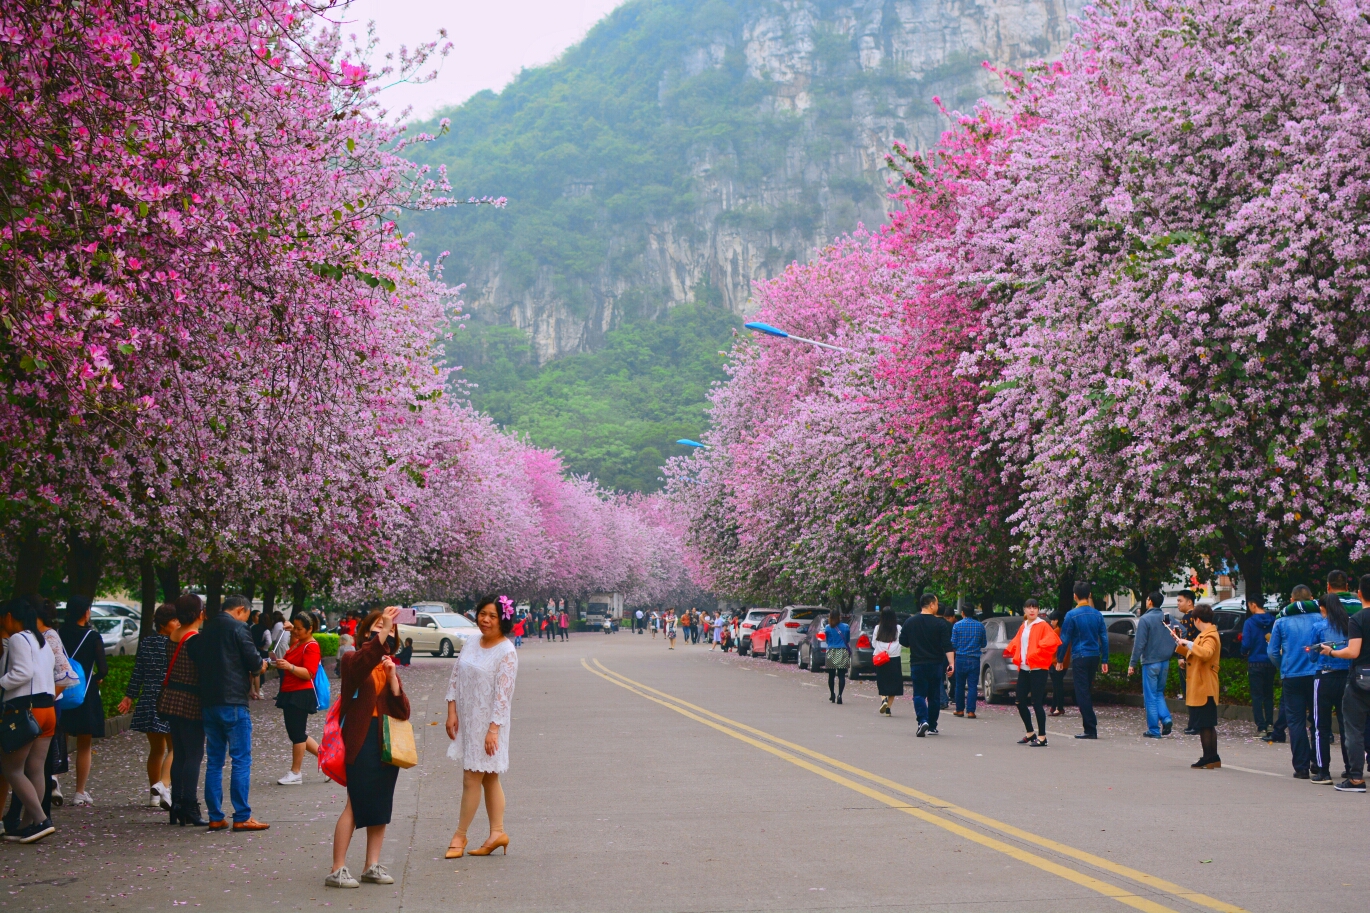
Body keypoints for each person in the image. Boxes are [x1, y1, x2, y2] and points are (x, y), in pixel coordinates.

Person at [326, 607, 409, 889]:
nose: (388, 629)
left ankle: (371, 865)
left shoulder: (387, 663)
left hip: (385, 741)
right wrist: (383, 628)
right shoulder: (352, 659)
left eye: (392, 627)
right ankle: (337, 868)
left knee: (381, 802)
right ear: (369, 630)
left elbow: (403, 711)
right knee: (356, 802)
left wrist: (394, 680)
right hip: (360, 739)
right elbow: (361, 663)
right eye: (381, 625)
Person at [444, 597, 518, 860]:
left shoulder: (507, 651)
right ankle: (497, 832)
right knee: (489, 777)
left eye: (493, 616)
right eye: (482, 614)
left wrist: (494, 729)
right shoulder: (472, 642)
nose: (485, 620)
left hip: (489, 724)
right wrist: (452, 710)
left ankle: (460, 835)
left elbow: (503, 695)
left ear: (503, 619)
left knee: (471, 777)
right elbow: (456, 676)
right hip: (468, 720)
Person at [194, 593, 269, 830]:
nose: (246, 620)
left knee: (214, 761)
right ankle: (242, 816)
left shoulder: (206, 630)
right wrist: (262, 665)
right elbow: (254, 663)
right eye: (246, 616)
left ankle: (215, 816)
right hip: (234, 701)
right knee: (240, 760)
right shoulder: (238, 629)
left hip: (209, 702)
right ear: (240, 610)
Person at [0, 598, 57, 843]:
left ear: (11, 616)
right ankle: (29, 825)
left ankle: (41, 819)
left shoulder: (18, 638)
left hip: (25, 710)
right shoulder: (41, 639)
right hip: (48, 710)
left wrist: (1, 684)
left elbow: (23, 673)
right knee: (35, 769)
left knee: (11, 768)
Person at [117, 603, 177, 810]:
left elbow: (138, 672)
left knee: (156, 749)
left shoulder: (146, 642)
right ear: (163, 623)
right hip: (169, 697)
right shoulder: (175, 643)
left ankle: (153, 794)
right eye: (174, 620)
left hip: (149, 698)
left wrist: (129, 696)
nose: (178, 624)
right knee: (175, 746)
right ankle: (164, 785)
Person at [159, 594, 207, 826]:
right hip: (190, 700)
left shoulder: (174, 635)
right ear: (199, 613)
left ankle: (176, 804)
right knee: (194, 754)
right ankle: (190, 805)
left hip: (171, 699)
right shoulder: (195, 639)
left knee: (179, 752)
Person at [1322, 574, 1369, 792]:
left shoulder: (1358, 619)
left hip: (1360, 681)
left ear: (1359, 593)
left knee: (1354, 730)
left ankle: (1356, 778)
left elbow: (1353, 651)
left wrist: (1331, 652)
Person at [1268, 585, 1322, 779]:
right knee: (1317, 719)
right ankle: (1318, 762)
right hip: (1316, 674)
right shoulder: (1320, 618)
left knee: (1295, 721)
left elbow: (1272, 652)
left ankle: (1301, 766)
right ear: (1311, 598)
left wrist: (1283, 665)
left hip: (1291, 675)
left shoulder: (1281, 621)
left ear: (1291, 600)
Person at [57, 595, 105, 807]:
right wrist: (94, 680)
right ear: (86, 612)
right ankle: (79, 792)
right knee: (84, 744)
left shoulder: (57, 634)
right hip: (84, 693)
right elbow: (103, 668)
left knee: (59, 737)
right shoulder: (92, 637)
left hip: (60, 690)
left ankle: (53, 781)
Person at [1170, 602, 1222, 769]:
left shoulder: (1210, 635)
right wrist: (1182, 645)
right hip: (1203, 683)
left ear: (1198, 619)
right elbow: (1197, 653)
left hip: (1203, 684)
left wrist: (1189, 644)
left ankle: (1208, 757)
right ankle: (1212, 757)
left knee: (1205, 724)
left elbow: (1206, 653)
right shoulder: (1207, 634)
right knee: (1207, 723)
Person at [274, 612, 322, 786]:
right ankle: (327, 761)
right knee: (297, 732)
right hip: (291, 691)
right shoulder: (300, 642)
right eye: (295, 627)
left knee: (297, 734)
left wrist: (290, 667)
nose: (296, 631)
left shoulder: (311, 646)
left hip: (300, 692)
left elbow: (309, 673)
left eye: (299, 629)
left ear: (310, 629)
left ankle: (296, 772)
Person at [1057, 582, 1109, 740]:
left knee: (1082, 693)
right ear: (1090, 595)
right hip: (1094, 655)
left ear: (1074, 596)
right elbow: (1104, 639)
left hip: (1080, 655)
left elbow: (1065, 639)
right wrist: (1105, 659)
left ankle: (1090, 727)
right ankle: (1090, 726)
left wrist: (1059, 659)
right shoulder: (1097, 615)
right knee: (1086, 689)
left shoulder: (1071, 615)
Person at [1005, 599, 1060, 747]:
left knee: (1036, 702)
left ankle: (1042, 737)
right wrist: (1010, 650)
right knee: (1019, 701)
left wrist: (1036, 652)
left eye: (1034, 608)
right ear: (1024, 610)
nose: (1032, 610)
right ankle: (1030, 733)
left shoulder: (1042, 625)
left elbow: (1052, 642)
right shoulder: (1024, 625)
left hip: (1038, 669)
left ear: (1038, 610)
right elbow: (1017, 641)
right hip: (1024, 668)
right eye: (1029, 608)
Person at [1310, 592, 1352, 785]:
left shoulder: (1318, 627)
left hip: (1324, 677)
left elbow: (1312, 656)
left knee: (1321, 727)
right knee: (1347, 726)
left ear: (1323, 607)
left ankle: (1323, 771)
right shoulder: (1350, 625)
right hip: (1346, 679)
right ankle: (1351, 768)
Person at [899, 594, 953, 737]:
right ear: (931, 605)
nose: (937, 606)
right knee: (934, 696)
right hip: (936, 664)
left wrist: (914, 644)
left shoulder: (910, 622)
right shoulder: (940, 624)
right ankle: (932, 725)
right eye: (936, 603)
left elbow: (902, 640)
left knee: (919, 694)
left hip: (917, 663)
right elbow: (947, 646)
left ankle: (922, 720)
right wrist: (952, 664)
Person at [1128, 591, 1176, 738]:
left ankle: (1154, 729)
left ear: (1150, 602)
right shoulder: (1167, 618)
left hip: (1150, 662)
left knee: (1150, 696)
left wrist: (1132, 663)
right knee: (1159, 693)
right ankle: (1166, 718)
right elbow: (1183, 631)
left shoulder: (1145, 619)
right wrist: (1170, 646)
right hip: (1165, 661)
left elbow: (1139, 643)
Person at [1240, 594, 1275, 738]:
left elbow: (1246, 644)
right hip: (1270, 661)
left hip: (1255, 662)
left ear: (1253, 604)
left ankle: (1260, 726)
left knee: (1257, 696)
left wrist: (1243, 652)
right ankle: (1270, 724)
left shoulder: (1249, 622)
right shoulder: (1274, 621)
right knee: (1268, 694)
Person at [950, 605, 986, 718]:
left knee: (959, 685)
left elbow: (953, 643)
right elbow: (984, 644)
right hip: (974, 659)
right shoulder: (980, 626)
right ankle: (971, 711)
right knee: (972, 686)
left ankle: (959, 709)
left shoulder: (957, 625)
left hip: (960, 658)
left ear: (962, 613)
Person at [872, 608, 903, 716]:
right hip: (894, 658)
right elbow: (902, 641)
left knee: (882, 682)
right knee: (894, 684)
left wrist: (881, 649)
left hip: (881, 658)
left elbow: (873, 644)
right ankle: (888, 708)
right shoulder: (898, 628)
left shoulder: (877, 628)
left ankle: (883, 699)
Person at [821, 609, 851, 704]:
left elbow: (827, 640)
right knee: (841, 675)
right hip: (842, 651)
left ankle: (832, 694)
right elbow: (848, 639)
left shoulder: (827, 628)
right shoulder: (846, 627)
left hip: (831, 651)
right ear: (839, 616)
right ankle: (840, 695)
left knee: (831, 675)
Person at [1047, 610, 1068, 717]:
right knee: (1057, 685)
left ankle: (1059, 707)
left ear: (1058, 620)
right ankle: (1054, 706)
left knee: (1057, 686)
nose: (1051, 622)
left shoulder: (1056, 632)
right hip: (1064, 661)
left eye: (1053, 620)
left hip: (1056, 662)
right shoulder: (1065, 631)